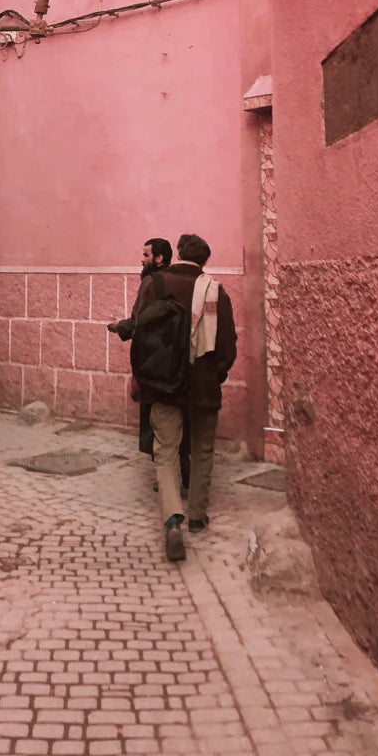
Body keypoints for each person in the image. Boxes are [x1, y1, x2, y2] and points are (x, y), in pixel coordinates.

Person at [133, 233, 236, 562]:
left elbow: (140, 329)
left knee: (165, 451)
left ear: (177, 253)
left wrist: (146, 377)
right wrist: (213, 375)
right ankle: (197, 516)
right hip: (203, 386)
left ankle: (172, 521)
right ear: (205, 260)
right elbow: (227, 347)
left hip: (164, 384)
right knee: (202, 449)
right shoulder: (216, 291)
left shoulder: (155, 284)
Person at [107, 239, 191, 489]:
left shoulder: (150, 283)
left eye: (146, 255)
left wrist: (120, 327)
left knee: (157, 420)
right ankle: (183, 464)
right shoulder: (181, 281)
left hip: (156, 362)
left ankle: (165, 476)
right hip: (181, 360)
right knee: (181, 417)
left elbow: (139, 321)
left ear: (159, 258)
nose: (142, 259)